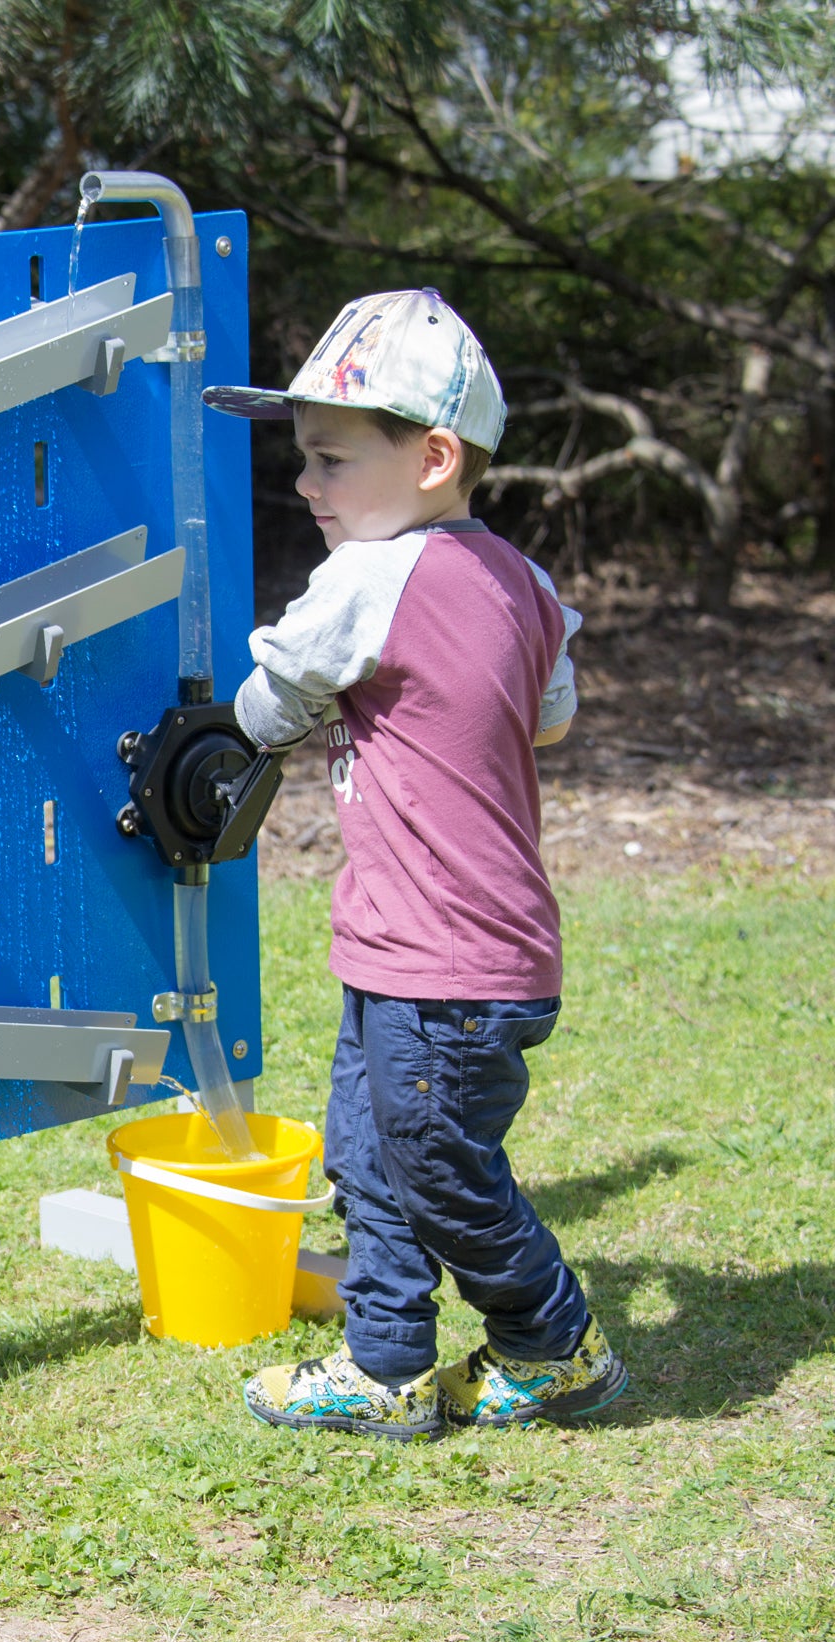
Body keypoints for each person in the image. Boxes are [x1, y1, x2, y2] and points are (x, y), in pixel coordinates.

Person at [201, 290, 628, 1440]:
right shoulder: (526, 586)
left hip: (441, 954)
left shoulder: (369, 579)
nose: (306, 485)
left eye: (331, 460)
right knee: (370, 1157)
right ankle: (385, 1361)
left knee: (434, 1168)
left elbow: (269, 696)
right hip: (442, 946)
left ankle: (553, 1341)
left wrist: (259, 715)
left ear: (432, 457)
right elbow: (547, 717)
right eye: (305, 460)